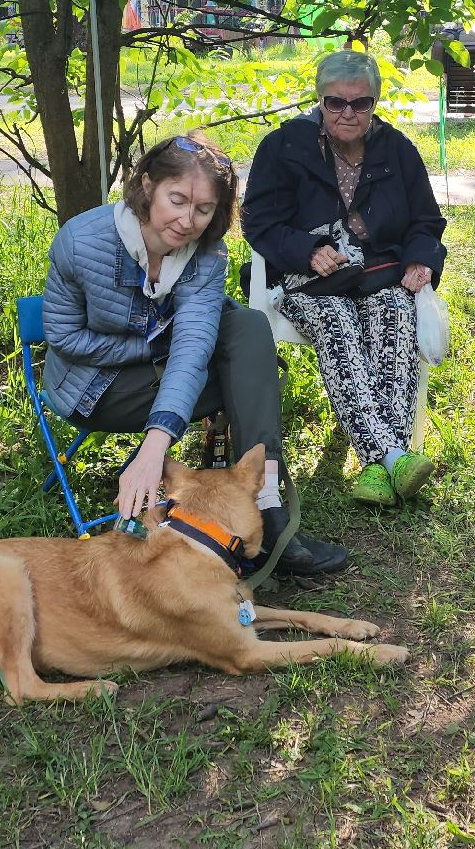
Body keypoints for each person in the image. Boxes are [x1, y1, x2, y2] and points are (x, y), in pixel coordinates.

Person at [42, 132, 348, 576]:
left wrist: (156, 442)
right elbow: (66, 337)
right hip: (97, 385)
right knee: (247, 375)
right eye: (178, 200)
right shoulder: (81, 240)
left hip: (172, 370)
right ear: (147, 185)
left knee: (248, 326)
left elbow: (191, 348)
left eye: (203, 209)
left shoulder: (207, 254)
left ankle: (266, 504)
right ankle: (255, 512)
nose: (187, 221)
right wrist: (155, 345)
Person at [242, 51, 447, 507]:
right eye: (336, 102)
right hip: (306, 278)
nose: (348, 113)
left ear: (374, 103)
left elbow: (426, 220)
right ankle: (395, 457)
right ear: (320, 100)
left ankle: (377, 468)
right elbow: (258, 220)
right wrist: (307, 250)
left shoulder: (396, 148)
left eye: (360, 102)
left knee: (396, 314)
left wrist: (420, 261)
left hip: (378, 273)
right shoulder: (284, 147)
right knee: (336, 323)